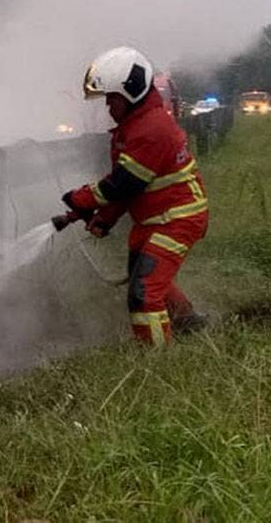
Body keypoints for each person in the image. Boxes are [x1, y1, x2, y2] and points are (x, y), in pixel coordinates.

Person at [62, 46, 208, 346]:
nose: (107, 107)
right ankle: (186, 321)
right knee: (149, 277)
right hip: (157, 218)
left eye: (112, 99)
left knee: (144, 293)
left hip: (178, 218)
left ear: (131, 92)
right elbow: (133, 188)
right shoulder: (132, 128)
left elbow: (124, 183)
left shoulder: (152, 128)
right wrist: (104, 218)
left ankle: (156, 361)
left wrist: (81, 198)